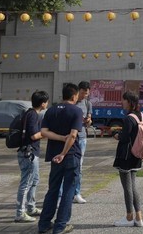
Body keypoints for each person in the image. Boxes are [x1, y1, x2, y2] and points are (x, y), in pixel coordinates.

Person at [38, 83, 84, 234]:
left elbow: (44, 132)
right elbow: (72, 135)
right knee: (68, 191)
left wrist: (58, 138)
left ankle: (44, 224)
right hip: (70, 156)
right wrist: (64, 152)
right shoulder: (76, 111)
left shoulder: (51, 110)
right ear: (74, 96)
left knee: (53, 189)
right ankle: (60, 226)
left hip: (53, 155)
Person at [14, 90, 49, 223]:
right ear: (43, 103)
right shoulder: (33, 115)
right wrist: (46, 133)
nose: (47, 104)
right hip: (28, 154)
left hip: (30, 152)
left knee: (34, 180)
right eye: (46, 101)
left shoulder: (29, 113)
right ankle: (20, 213)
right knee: (26, 184)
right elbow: (34, 135)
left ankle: (31, 207)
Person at [112, 90, 143, 228]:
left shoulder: (128, 118)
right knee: (133, 186)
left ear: (130, 102)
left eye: (124, 100)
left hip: (125, 156)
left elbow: (124, 138)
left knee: (127, 187)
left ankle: (129, 216)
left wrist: (116, 135)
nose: (122, 102)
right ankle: (139, 217)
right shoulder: (140, 116)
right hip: (137, 155)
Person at [73, 81, 92, 204]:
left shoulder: (88, 103)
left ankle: (77, 193)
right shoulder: (72, 102)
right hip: (71, 137)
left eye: (87, 93)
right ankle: (62, 195)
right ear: (78, 91)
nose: (85, 95)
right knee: (68, 166)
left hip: (82, 137)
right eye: (83, 93)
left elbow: (89, 120)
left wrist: (88, 121)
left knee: (79, 167)